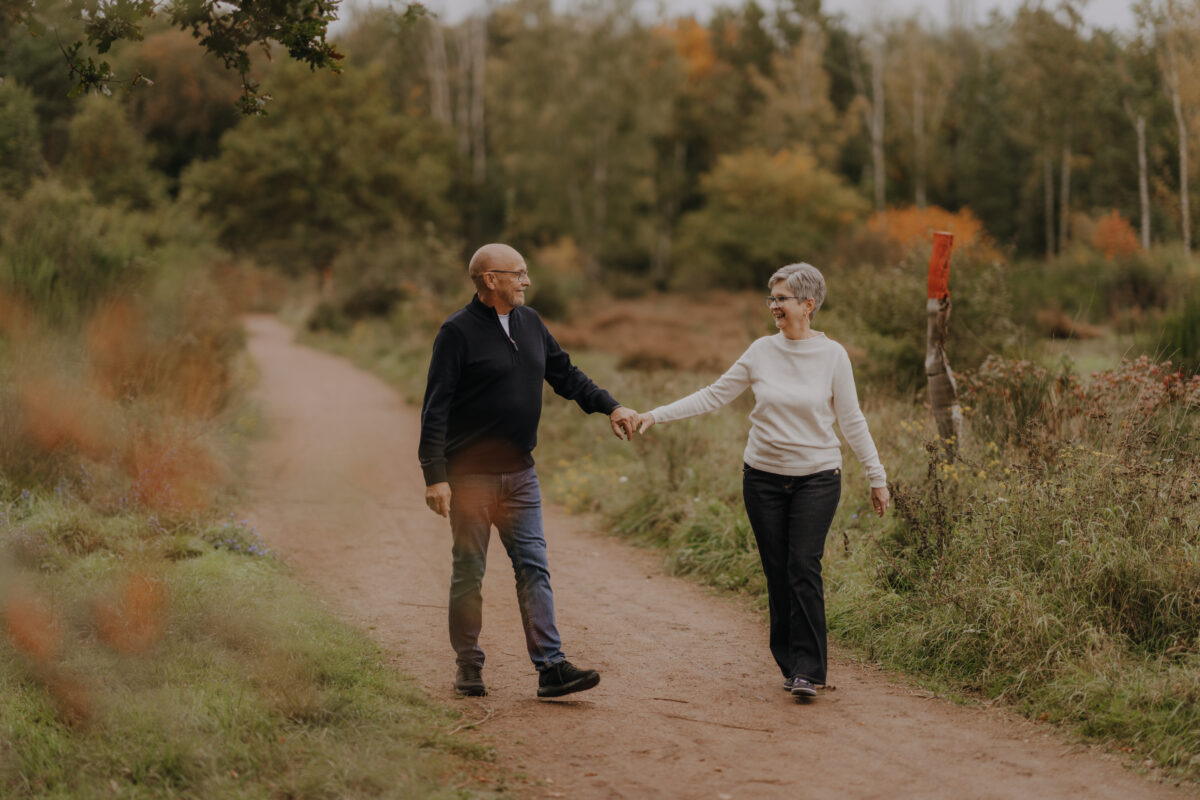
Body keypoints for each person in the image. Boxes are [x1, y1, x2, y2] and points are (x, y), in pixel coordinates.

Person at [635, 262, 889, 698]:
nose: (773, 306)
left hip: (817, 477)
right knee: (776, 571)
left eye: (781, 299)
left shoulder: (833, 356)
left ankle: (810, 669)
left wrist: (877, 477)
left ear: (808, 305)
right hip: (763, 480)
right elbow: (714, 394)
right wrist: (654, 415)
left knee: (803, 567)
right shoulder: (760, 351)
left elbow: (852, 420)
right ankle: (790, 663)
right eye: (771, 298)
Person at [419, 242, 640, 698]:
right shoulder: (456, 333)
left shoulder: (531, 322)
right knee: (469, 571)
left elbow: (567, 375)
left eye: (526, 272)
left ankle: (551, 668)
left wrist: (611, 406)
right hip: (470, 479)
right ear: (489, 280)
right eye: (518, 273)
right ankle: (469, 665)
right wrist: (435, 474)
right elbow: (435, 406)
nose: (526, 280)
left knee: (534, 568)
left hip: (520, 475)